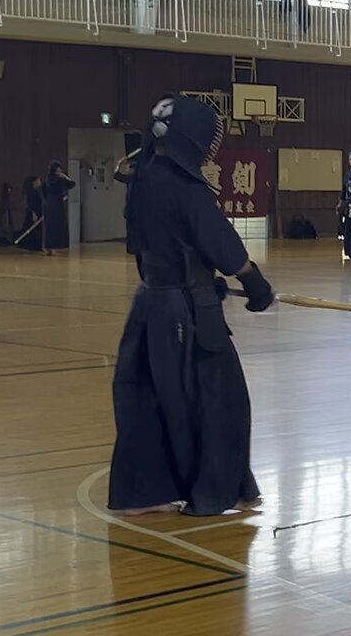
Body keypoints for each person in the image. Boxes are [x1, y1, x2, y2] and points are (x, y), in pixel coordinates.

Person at [108, 94, 274, 517]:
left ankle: (143, 493)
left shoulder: (143, 179)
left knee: (149, 399)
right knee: (222, 399)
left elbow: (162, 247)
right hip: (185, 316)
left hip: (149, 305)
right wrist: (252, 281)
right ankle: (221, 490)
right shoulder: (185, 187)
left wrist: (200, 279)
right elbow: (221, 244)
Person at [43, 160, 75, 256]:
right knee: (54, 226)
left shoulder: (50, 179)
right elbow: (71, 184)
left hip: (52, 204)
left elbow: (72, 184)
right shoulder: (55, 179)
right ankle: (51, 247)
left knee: (53, 226)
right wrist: (65, 177)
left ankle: (51, 247)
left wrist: (64, 177)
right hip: (55, 204)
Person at [18, 175, 44, 252]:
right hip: (33, 213)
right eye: (39, 180)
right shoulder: (31, 191)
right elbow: (31, 203)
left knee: (35, 230)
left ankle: (33, 246)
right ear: (34, 182)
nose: (40, 182)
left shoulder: (36, 191)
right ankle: (30, 246)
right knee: (32, 230)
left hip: (37, 212)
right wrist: (34, 213)